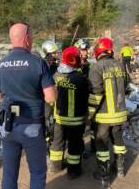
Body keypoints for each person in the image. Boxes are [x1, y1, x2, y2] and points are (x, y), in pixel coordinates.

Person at [0, 23, 56, 189]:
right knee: (37, 172)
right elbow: (51, 97)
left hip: (8, 125)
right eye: (31, 36)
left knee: (9, 173)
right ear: (27, 38)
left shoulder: (0, 64)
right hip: (31, 124)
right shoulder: (37, 62)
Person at [88, 37, 128, 182]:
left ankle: (104, 175)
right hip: (120, 113)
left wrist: (89, 114)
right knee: (118, 142)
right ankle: (120, 170)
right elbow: (126, 86)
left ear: (98, 50)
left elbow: (95, 94)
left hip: (104, 117)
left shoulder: (96, 67)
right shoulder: (120, 65)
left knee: (102, 144)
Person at [49, 46, 89, 180]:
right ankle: (73, 171)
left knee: (57, 143)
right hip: (76, 121)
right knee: (74, 145)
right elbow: (86, 97)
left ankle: (55, 167)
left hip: (59, 119)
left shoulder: (55, 76)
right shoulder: (81, 79)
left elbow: (50, 99)